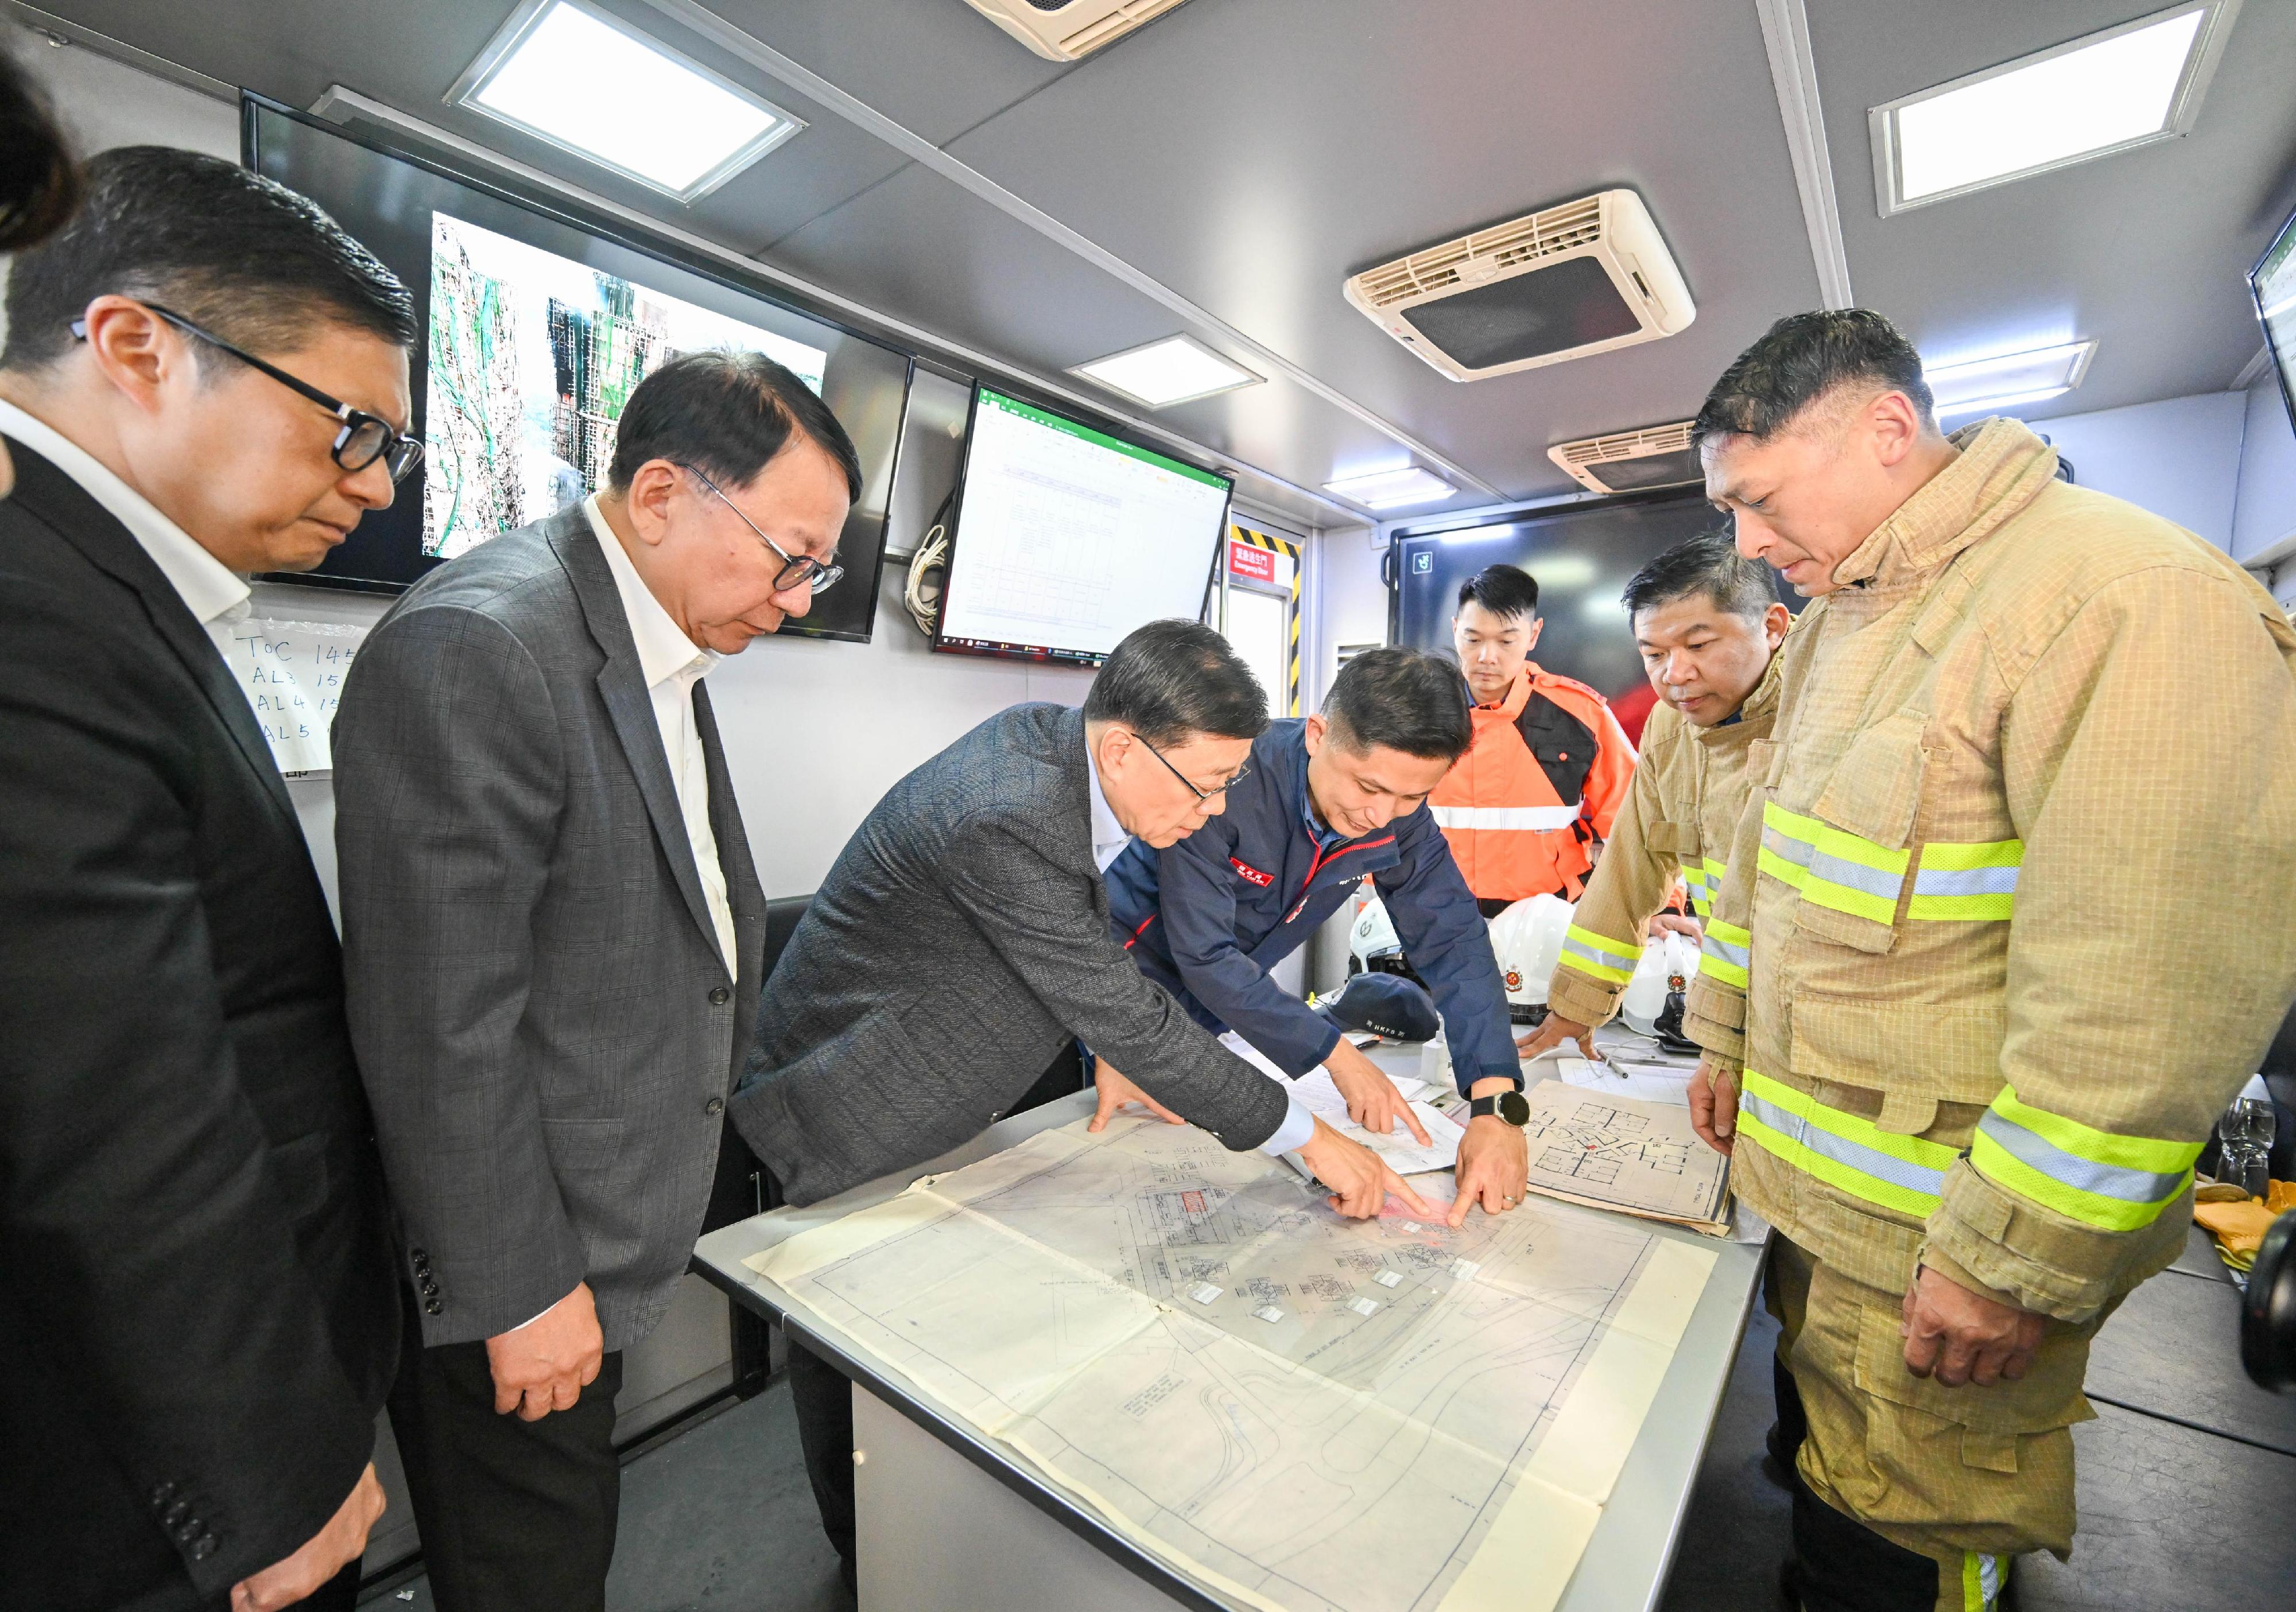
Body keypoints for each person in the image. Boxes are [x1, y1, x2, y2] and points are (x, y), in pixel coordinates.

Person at [1677, 309, 2296, 1612]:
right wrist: (1724, 1038)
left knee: (1897, 1561)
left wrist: (2015, 1256)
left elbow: (2145, 993)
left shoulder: (2117, 598)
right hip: (1819, 1225)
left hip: (1938, 1253)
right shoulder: (1853, 617)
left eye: (1758, 498)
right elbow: (1766, 863)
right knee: (1827, 1518)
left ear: (1887, 432)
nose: (1744, 543)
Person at [732, 620, 1436, 1590]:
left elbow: (1073, 949)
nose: (1217, 809)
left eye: (1233, 780)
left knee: (935, 1325)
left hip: (953, 1080)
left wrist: (1104, 1040)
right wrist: (1305, 1134)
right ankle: (869, 1556)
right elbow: (1123, 998)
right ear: (1121, 746)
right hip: (856, 1098)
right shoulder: (1005, 808)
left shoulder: (1062, 752)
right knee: (853, 1341)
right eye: (1206, 783)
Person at [333, 350, 856, 1612]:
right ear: (666, 493)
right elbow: (439, 1022)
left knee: (571, 1547)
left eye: (817, 570)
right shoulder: (485, 643)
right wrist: (516, 1288)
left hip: (599, 1231)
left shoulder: (656, 636)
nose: (793, 600)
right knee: (534, 1573)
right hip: (517, 1267)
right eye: (788, 556)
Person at [0, 146, 417, 1612]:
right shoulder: (31, 599)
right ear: (135, 346)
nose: (370, 490)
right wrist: (272, 1472)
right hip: (153, 1481)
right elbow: (108, 1107)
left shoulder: (116, 586)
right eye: (351, 430)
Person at [1103, 646, 1531, 1225]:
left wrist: (1496, 1104)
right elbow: (1204, 953)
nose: (1381, 817)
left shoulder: (1398, 818)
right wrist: (1336, 1055)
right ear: (1316, 735)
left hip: (1208, 1018)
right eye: (1368, 787)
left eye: (1412, 797)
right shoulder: (1229, 781)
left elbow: (1454, 941)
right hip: (1107, 992)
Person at [1518, 533, 1789, 1062]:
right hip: (1734, 1016)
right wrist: (1578, 1005)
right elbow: (1628, 869)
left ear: (1773, 627)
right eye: (1654, 653)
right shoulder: (1671, 728)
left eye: (1699, 644)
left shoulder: (1829, 705)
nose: (1675, 674)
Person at [1429, 564, 1638, 914]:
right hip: (1438, 915)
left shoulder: (1582, 714)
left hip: (1551, 915)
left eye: (1507, 641)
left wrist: (1663, 906)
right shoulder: (1420, 712)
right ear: (1454, 631)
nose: (1487, 657)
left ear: (1533, 635)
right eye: (1473, 639)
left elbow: (1634, 820)